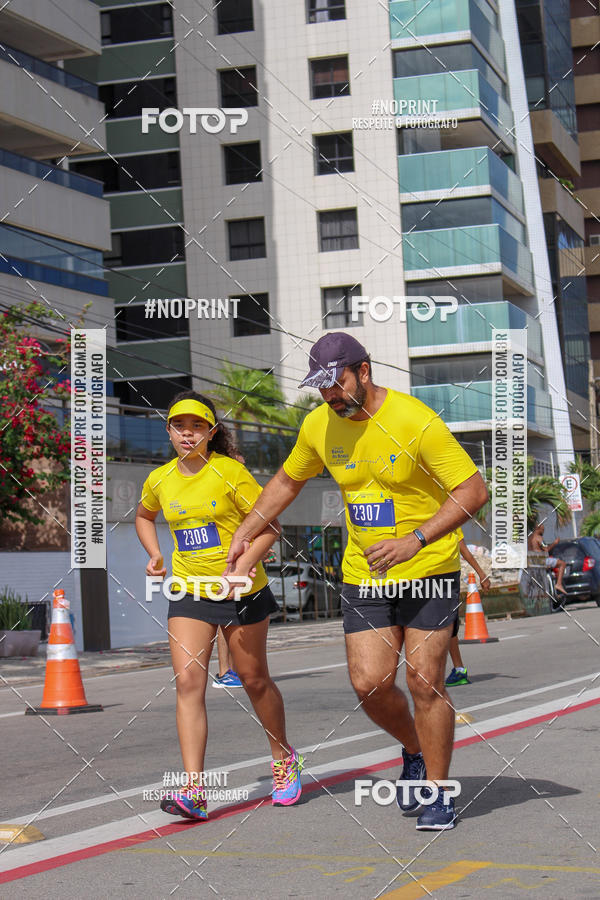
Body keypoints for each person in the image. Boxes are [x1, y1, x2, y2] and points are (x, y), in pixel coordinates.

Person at [227, 333, 488, 830]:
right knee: (369, 684)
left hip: (427, 569)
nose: (331, 396)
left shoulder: (414, 421)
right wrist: (245, 530)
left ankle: (437, 790)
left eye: (337, 383)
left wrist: (416, 539)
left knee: (425, 680)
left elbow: (474, 490)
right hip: (365, 575)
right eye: (322, 388)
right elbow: (286, 481)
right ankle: (414, 749)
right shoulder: (319, 425)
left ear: (363, 372)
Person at [135, 391, 302, 820]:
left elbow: (270, 529)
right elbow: (143, 515)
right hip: (191, 591)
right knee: (189, 683)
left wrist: (242, 565)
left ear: (210, 432)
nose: (187, 434)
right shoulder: (159, 479)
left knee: (254, 679)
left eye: (196, 427)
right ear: (169, 431)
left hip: (242, 591)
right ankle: (194, 790)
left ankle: (284, 760)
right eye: (179, 426)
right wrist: (154, 553)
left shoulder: (231, 473)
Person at [445, 531, 491, 687]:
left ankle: (456, 670)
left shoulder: (447, 518)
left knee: (447, 627)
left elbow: (463, 548)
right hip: (431, 579)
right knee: (447, 627)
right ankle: (456, 670)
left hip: (442, 579)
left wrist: (481, 573)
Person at [528, 523, 568, 596]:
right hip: (541, 560)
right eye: (542, 529)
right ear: (538, 528)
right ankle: (559, 584)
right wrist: (555, 543)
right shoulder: (539, 538)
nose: (543, 531)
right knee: (562, 564)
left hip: (532, 561)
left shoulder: (529, 538)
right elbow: (546, 549)